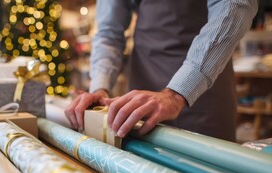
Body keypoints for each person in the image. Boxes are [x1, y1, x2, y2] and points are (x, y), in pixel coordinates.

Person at [65, 0, 258, 142]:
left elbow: (235, 7)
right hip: (142, 89)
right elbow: (108, 32)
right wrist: (100, 87)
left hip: (205, 93)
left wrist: (178, 93)